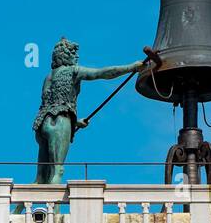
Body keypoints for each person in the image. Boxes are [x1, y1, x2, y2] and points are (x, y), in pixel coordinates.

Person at [34, 38, 145, 184]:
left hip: (42, 124)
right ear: (66, 55)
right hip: (61, 122)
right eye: (74, 53)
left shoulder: (48, 77)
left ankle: (16, 207)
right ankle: (55, 207)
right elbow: (103, 73)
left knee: (40, 178)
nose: (77, 57)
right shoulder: (74, 71)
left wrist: (75, 122)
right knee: (57, 171)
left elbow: (50, 105)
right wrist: (132, 67)